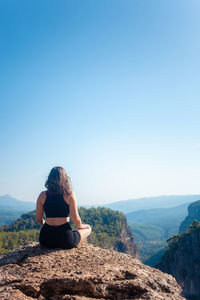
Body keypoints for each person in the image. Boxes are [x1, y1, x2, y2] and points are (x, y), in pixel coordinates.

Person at [35, 166, 91, 249]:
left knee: (74, 231)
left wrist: (44, 223)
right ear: (65, 179)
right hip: (65, 239)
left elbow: (38, 219)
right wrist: (82, 226)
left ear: (49, 179)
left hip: (45, 239)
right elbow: (76, 219)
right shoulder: (69, 194)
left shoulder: (42, 195)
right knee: (88, 228)